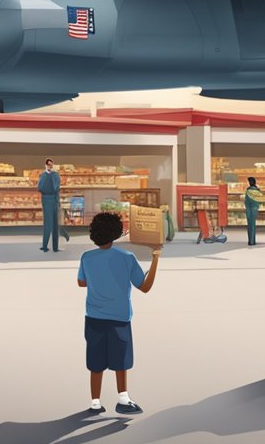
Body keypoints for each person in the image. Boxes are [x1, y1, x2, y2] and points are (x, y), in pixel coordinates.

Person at [77, 211, 160, 415]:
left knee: (95, 362)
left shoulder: (86, 257)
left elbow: (81, 282)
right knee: (120, 359)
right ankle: (123, 398)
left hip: (94, 317)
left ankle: (95, 402)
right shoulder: (126, 257)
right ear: (116, 233)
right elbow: (145, 286)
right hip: (119, 318)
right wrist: (155, 257)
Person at [244, 176, 265, 246]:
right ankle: (252, 241)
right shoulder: (257, 191)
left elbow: (246, 200)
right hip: (254, 208)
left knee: (250, 224)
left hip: (249, 209)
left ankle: (251, 241)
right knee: (252, 224)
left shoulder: (248, 190)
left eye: (249, 181)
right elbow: (260, 200)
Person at [39, 158, 61, 252]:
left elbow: (56, 187)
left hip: (53, 200)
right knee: (48, 223)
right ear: (45, 165)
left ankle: (55, 247)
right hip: (47, 200)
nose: (50, 166)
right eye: (48, 165)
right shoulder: (43, 175)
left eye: (51, 165)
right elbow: (40, 187)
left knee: (55, 224)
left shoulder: (55, 175)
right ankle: (45, 246)